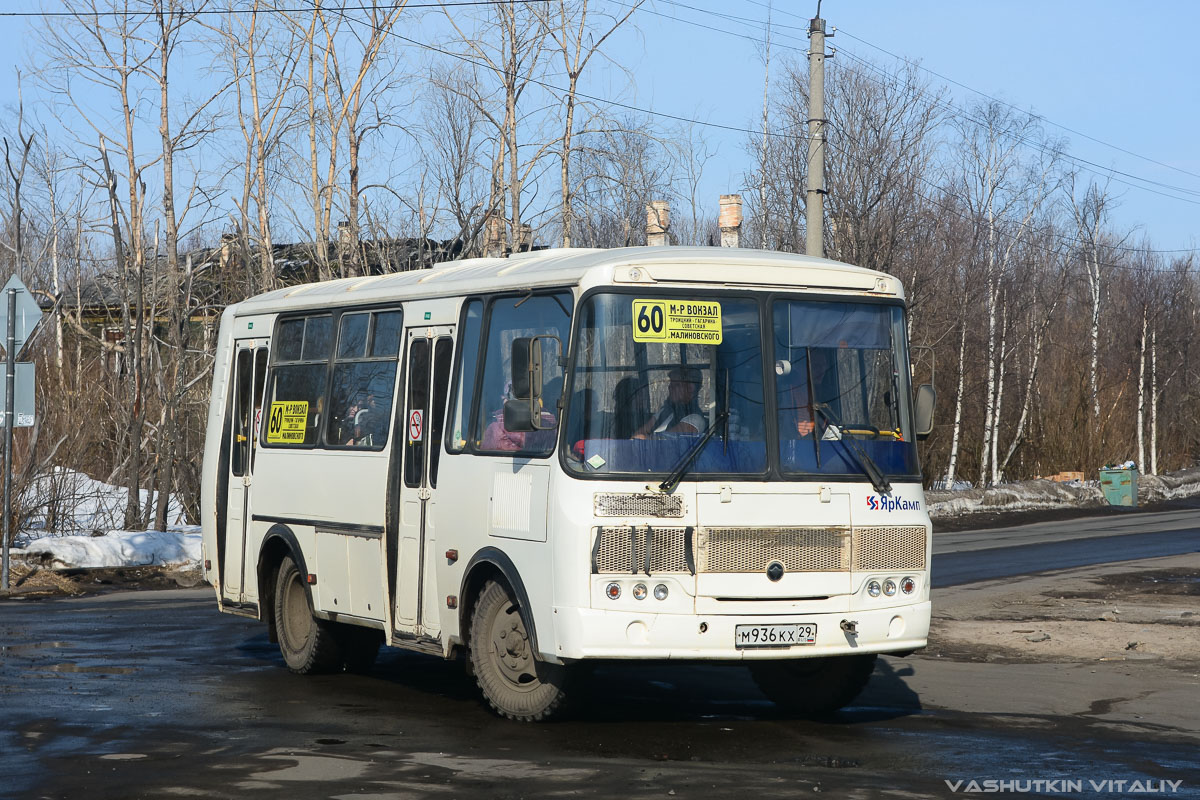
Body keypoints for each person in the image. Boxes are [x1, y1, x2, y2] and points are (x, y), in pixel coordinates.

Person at [633, 366, 707, 439]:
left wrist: (645, 438)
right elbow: (638, 434)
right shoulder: (665, 411)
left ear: (690, 389)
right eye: (671, 383)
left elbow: (666, 441)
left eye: (676, 385)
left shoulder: (695, 419)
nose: (670, 387)